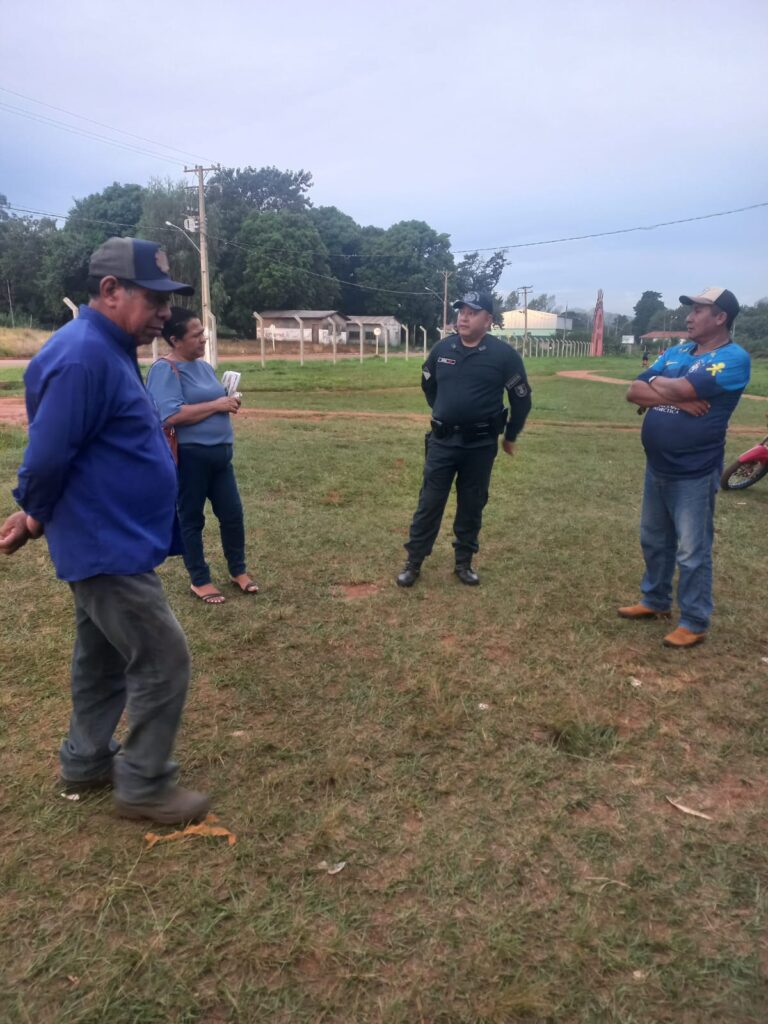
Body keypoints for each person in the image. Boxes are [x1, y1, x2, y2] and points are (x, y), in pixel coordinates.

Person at [0, 237, 211, 824]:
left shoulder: (110, 347)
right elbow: (47, 456)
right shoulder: (83, 355)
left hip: (111, 538)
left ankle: (87, 759)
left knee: (100, 657)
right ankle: (144, 784)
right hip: (103, 544)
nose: (166, 314)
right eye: (154, 298)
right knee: (163, 658)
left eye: (169, 302)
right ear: (111, 291)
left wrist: (35, 512)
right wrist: (33, 510)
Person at [620, 287, 750, 648]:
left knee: (692, 551)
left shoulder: (732, 358)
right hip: (657, 467)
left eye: (698, 310)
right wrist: (678, 397)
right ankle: (655, 601)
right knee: (654, 539)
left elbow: (677, 386)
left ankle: (694, 620)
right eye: (690, 310)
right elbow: (634, 391)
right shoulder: (679, 351)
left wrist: (661, 385)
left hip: (694, 471)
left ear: (720, 317)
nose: (689, 317)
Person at [396, 291, 532, 587]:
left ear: (489, 320)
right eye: (461, 311)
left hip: (480, 446)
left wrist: (510, 434)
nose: (464, 317)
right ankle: (414, 562)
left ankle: (463, 562)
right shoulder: (442, 349)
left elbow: (521, 398)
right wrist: (445, 413)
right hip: (442, 442)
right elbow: (428, 384)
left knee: (472, 503)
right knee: (429, 503)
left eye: (473, 311)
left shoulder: (503, 356)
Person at [146, 308, 258, 605]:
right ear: (175, 340)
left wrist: (229, 401)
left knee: (232, 516)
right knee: (192, 519)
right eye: (196, 335)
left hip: (221, 457)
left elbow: (213, 401)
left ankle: (238, 571)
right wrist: (217, 405)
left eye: (203, 334)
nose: (203, 340)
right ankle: (200, 579)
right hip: (191, 459)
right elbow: (171, 415)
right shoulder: (164, 370)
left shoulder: (203, 366)